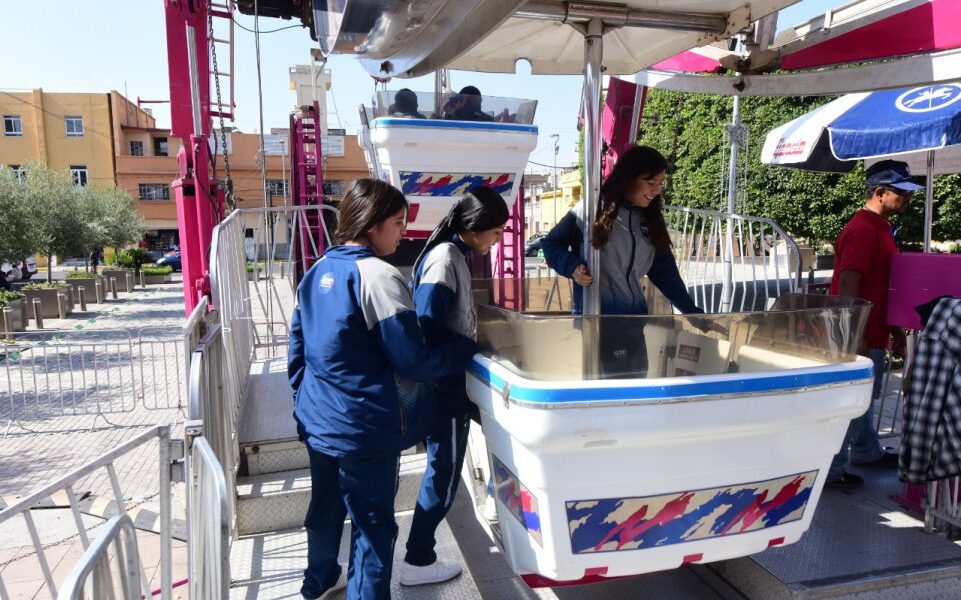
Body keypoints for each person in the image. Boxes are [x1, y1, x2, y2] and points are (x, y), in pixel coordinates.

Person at [288, 178, 477, 600]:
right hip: (365, 428)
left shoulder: (315, 272)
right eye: (397, 223)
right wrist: (464, 348)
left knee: (325, 510)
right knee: (373, 526)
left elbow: (296, 355)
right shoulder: (378, 276)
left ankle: (319, 580)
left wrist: (302, 409)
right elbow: (412, 359)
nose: (402, 233)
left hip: (320, 421)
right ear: (372, 225)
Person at [399, 186, 510, 586]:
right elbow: (428, 326)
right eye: (495, 231)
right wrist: (468, 346)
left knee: (492, 440)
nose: (497, 239)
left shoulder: (453, 253)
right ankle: (418, 559)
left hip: (453, 381)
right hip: (445, 388)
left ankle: (498, 502)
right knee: (443, 474)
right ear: (475, 227)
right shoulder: (446, 257)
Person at [540, 146, 702, 374]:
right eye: (650, 182)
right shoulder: (590, 209)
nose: (656, 190)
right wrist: (573, 267)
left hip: (634, 322)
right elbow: (551, 244)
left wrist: (691, 311)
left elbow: (665, 272)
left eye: (660, 183)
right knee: (609, 388)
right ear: (628, 178)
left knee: (636, 386)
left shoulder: (649, 219)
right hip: (598, 322)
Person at [826, 159, 921, 490]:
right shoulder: (864, 230)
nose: (908, 199)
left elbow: (880, 284)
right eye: (902, 193)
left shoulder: (879, 227)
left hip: (872, 329)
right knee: (852, 400)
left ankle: (866, 449)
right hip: (860, 333)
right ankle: (832, 470)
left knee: (862, 398)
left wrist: (892, 328)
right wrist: (855, 334)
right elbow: (849, 283)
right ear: (880, 193)